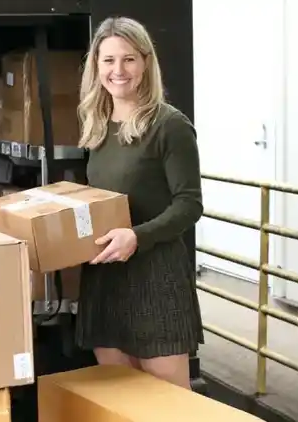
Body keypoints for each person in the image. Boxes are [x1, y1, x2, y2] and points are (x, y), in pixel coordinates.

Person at [74, 16, 204, 389]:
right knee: (120, 400)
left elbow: (189, 204)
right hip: (106, 278)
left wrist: (137, 236)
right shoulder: (97, 124)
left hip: (155, 277)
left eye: (129, 59)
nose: (118, 70)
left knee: (167, 405)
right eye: (108, 60)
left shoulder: (169, 125)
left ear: (146, 63)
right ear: (96, 66)